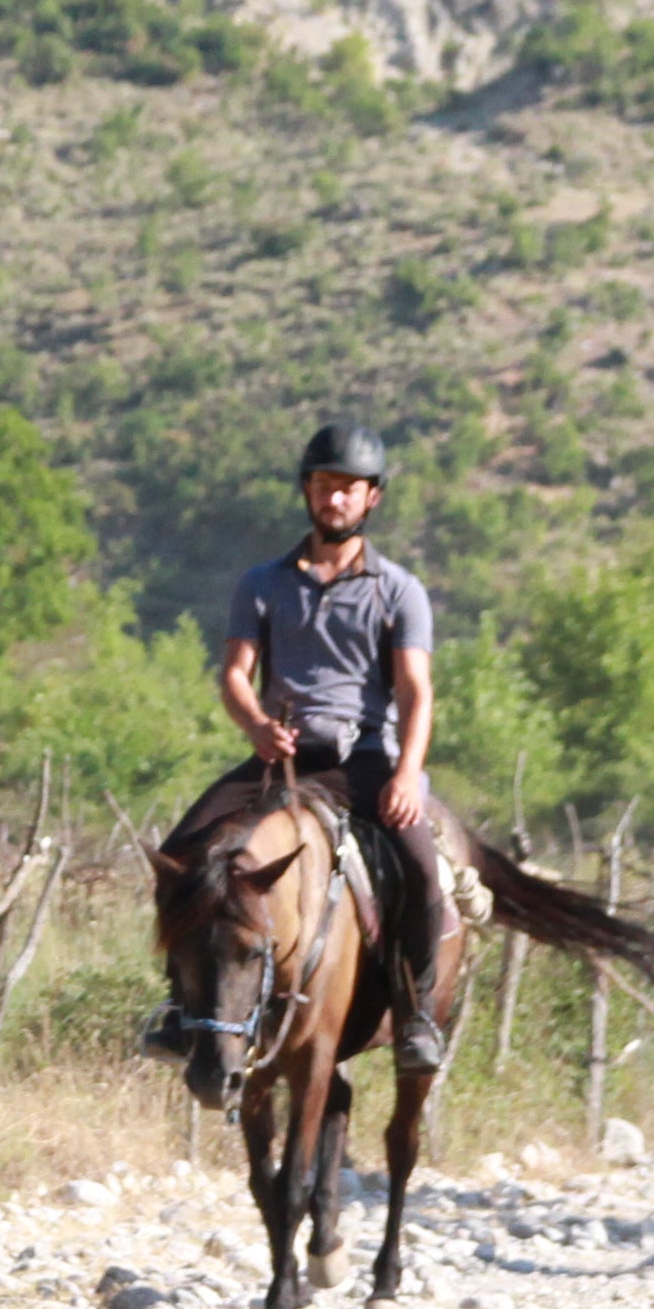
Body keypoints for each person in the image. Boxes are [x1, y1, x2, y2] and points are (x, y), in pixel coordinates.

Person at [199, 420, 466, 1071]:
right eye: (324, 485)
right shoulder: (262, 583)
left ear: (372, 497)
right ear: (307, 491)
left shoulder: (398, 590)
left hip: (364, 758)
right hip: (280, 756)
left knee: (422, 870)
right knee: (186, 853)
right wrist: (255, 726)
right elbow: (234, 675)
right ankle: (185, 1012)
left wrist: (406, 774)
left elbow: (417, 691)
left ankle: (416, 1015)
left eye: (349, 487)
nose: (335, 498)